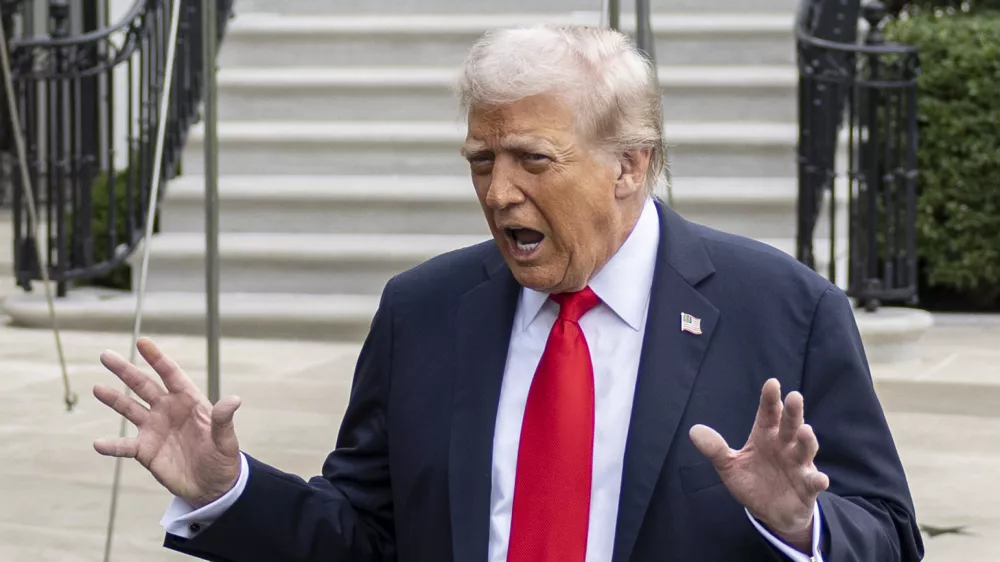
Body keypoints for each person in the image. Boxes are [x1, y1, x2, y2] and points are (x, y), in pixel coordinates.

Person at [92, 25, 924, 562]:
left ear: (627, 166)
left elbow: (890, 538)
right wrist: (229, 490)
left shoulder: (784, 309)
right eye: (481, 161)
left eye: (532, 159)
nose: (498, 193)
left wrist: (801, 527)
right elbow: (367, 536)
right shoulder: (423, 311)